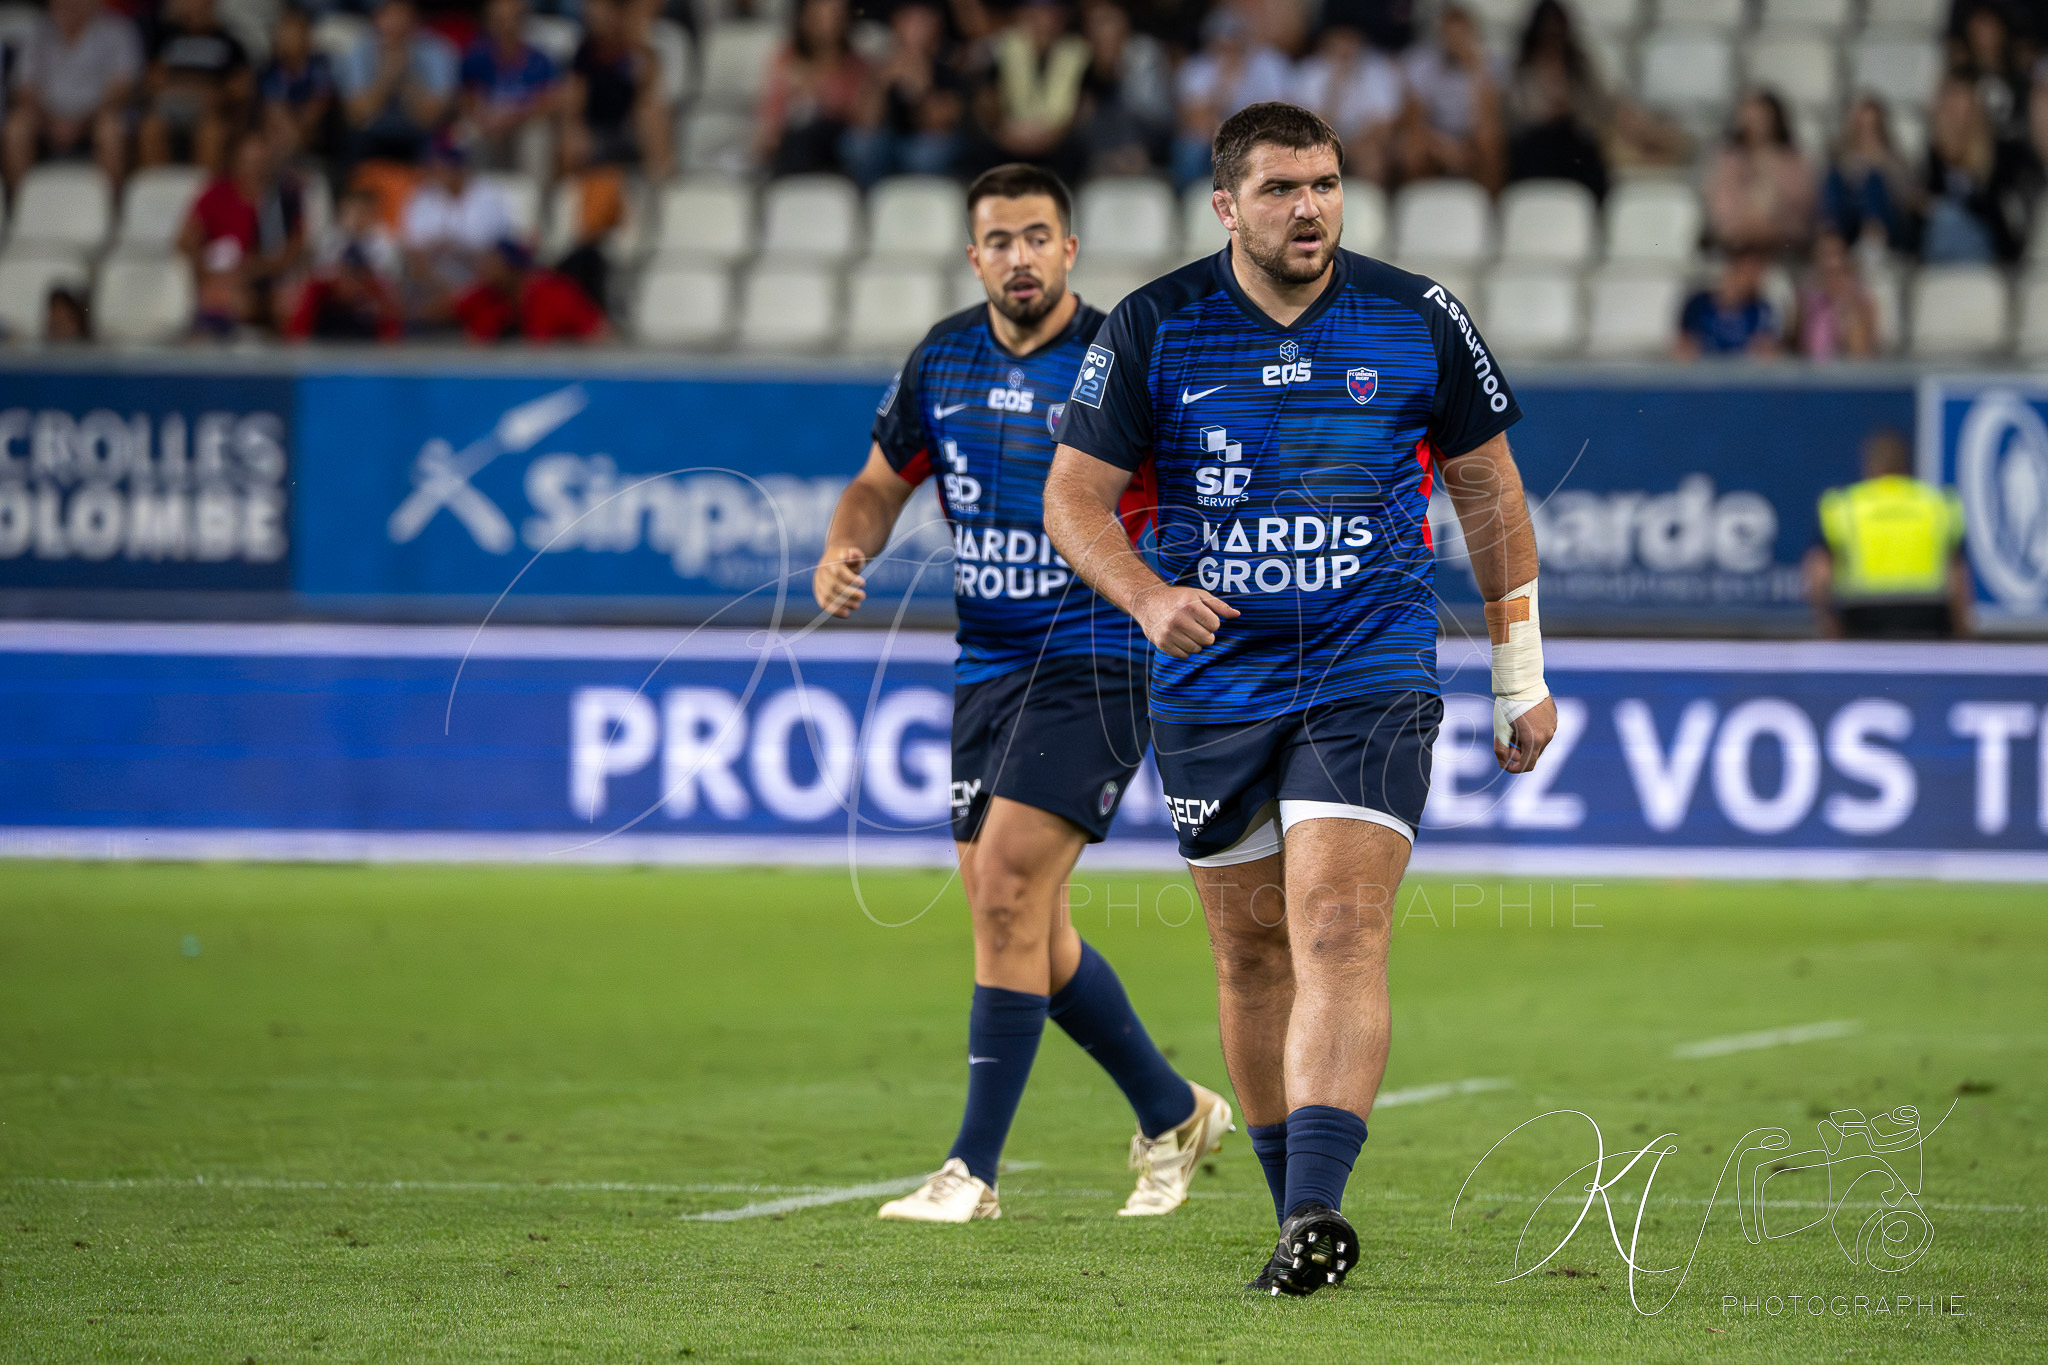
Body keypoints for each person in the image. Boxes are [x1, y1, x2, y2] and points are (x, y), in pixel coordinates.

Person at [1042, 102, 1556, 1294]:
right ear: (1225, 205)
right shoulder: (1154, 324)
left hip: (1366, 666)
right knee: (1250, 955)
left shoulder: (1417, 314)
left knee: (1334, 923)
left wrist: (1517, 671)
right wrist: (1143, 595)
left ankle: (1318, 1205)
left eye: (1323, 184)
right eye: (1279, 189)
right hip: (1211, 682)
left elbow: (1487, 493)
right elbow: (1074, 498)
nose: (1309, 207)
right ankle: (1293, 1216)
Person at [812, 163, 1231, 1225]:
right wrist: (842, 547)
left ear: (1070, 250)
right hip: (985, 666)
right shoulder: (941, 357)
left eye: (1037, 237)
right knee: (1019, 923)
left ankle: (971, 1172)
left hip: (1096, 657)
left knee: (1003, 894)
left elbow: (1188, 490)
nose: (1018, 258)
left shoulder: (1116, 360)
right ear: (974, 256)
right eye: (998, 240)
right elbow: (877, 480)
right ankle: (1172, 1110)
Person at [1804, 429, 1969, 639]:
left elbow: (1819, 573)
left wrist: (1827, 624)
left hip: (1861, 618)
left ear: (1868, 466)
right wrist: (1963, 630)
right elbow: (1957, 576)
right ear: (1906, 466)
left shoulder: (1842, 506)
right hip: (1928, 618)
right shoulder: (1938, 504)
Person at [3, 0, 142, 193]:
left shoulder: (117, 29)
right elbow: (23, 87)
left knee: (111, 131)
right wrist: (51, 120)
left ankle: (110, 208)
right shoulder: (39, 30)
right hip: (45, 116)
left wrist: (82, 121)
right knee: (16, 129)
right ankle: (21, 206)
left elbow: (123, 87)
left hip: (96, 115)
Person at [180, 128, 306, 334]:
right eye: (248, 161)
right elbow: (185, 241)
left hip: (267, 278)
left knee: (286, 303)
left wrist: (252, 269)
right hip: (219, 277)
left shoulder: (284, 197)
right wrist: (204, 270)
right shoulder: (217, 193)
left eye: (260, 161)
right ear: (237, 161)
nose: (254, 168)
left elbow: (294, 247)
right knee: (224, 299)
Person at [844, 0, 966, 186]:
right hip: (889, 142)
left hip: (925, 144)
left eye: (922, 21)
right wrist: (881, 85)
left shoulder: (948, 67)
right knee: (859, 147)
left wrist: (922, 89)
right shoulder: (880, 67)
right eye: (907, 20)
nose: (914, 28)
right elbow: (865, 124)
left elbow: (943, 122)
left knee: (924, 153)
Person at [1171, 9, 1291, 189]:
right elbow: (1196, 122)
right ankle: (1190, 202)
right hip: (1212, 141)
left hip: (1254, 137)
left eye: (1235, 41)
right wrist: (1223, 86)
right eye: (1221, 43)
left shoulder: (1268, 65)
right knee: (1190, 148)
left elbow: (1278, 117)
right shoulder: (1196, 69)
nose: (1229, 49)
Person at [1503, 0, 1607, 198]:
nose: (1553, 37)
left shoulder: (1579, 68)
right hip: (1535, 141)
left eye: (1558, 31)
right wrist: (1546, 114)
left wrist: (1570, 110)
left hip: (1572, 139)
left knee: (1585, 155)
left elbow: (1597, 108)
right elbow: (1514, 115)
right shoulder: (1523, 68)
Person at [751, 0, 867, 175]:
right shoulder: (787, 58)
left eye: (834, 16)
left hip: (835, 144)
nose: (825, 24)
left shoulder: (855, 64)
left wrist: (816, 91)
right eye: (818, 16)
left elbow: (858, 120)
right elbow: (773, 111)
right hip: (790, 141)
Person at [1396, 3, 1505, 190]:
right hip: (1435, 137)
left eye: (1460, 35)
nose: (1454, 41)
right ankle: (1419, 203)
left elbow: (1488, 118)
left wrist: (1473, 70)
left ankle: (1489, 206)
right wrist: (1443, 146)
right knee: (1412, 146)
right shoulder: (1423, 65)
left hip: (1471, 138)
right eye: (1449, 35)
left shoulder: (1488, 67)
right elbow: (1414, 119)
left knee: (1489, 140)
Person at [1922, 76, 2030, 263]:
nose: (1959, 119)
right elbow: (1927, 201)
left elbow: (1996, 208)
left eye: (1965, 111)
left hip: (1987, 243)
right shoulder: (1934, 156)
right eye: (1953, 111)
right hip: (1942, 243)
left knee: (1947, 216)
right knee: (1944, 220)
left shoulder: (1997, 153)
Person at [136, 0, 252, 172]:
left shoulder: (230, 43)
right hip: (169, 108)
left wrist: (214, 93)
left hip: (210, 111)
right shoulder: (168, 38)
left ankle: (203, 193)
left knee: (212, 133)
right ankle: (158, 191)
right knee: (150, 128)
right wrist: (193, 85)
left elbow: (241, 87)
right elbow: (152, 80)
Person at [561, 0, 671, 180]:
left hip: (628, 128)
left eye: (603, 11)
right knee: (571, 137)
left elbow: (647, 92)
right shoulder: (586, 52)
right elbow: (574, 104)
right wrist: (576, 130)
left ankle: (660, 187)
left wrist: (637, 51)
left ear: (617, 15)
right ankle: (572, 197)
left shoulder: (635, 51)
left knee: (651, 112)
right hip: (596, 129)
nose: (598, 17)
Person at [401, 137, 519, 304]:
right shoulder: (423, 196)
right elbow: (412, 247)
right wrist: (437, 246)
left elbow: (496, 246)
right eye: (434, 165)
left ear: (458, 165)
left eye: (443, 164)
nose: (437, 170)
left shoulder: (488, 193)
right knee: (413, 263)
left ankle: (461, 304)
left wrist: (457, 246)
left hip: (477, 272)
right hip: (435, 277)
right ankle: (453, 304)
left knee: (494, 262)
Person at [339, 0, 459, 164]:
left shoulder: (437, 50)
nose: (392, 22)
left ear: (414, 16)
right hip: (373, 135)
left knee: (439, 144)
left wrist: (406, 75)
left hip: (418, 135)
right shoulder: (360, 49)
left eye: (399, 13)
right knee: (352, 142)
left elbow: (431, 118)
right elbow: (357, 116)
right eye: (386, 14)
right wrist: (387, 77)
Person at [1704, 89, 1816, 253]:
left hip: (1783, 243)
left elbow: (1801, 203)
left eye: (1762, 117)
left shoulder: (1793, 159)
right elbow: (1721, 205)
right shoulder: (1728, 159)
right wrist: (1745, 223)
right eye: (1751, 117)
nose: (1756, 123)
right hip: (1736, 243)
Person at [1292, 25, 1400, 186]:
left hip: (1361, 143)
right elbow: (1310, 127)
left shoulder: (1377, 71)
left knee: (1371, 157)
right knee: (1303, 154)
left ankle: (1368, 208)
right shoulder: (1309, 72)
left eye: (1350, 39)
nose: (1345, 46)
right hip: (1323, 143)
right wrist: (1335, 90)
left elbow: (1381, 128)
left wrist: (1350, 148)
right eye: (1340, 39)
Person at [460, 0, 560, 171]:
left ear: (522, 22)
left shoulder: (539, 60)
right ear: (489, 22)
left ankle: (532, 194)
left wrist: (512, 117)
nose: (506, 26)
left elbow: (549, 102)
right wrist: (485, 119)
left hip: (524, 122)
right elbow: (468, 98)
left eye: (512, 19)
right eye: (500, 20)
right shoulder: (476, 58)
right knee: (464, 133)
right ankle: (475, 193)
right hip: (488, 122)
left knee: (537, 136)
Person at [1076, 0, 1173, 176]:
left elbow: (1154, 114)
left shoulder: (1143, 51)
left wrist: (1121, 66)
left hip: (1146, 143)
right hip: (1098, 155)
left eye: (1107, 20)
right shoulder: (1077, 56)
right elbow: (1078, 121)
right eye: (1095, 22)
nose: (1102, 29)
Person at [451, 238, 611, 343]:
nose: (486, 269)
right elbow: (447, 310)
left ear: (513, 268)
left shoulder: (555, 293)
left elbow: (600, 334)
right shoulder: (486, 295)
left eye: (494, 263)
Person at [1821, 95, 1919, 254]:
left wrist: (1879, 163)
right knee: (1835, 181)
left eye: (1873, 127)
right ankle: (1832, 242)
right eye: (1862, 126)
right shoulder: (1841, 157)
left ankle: (1872, 244)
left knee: (1874, 182)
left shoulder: (1895, 159)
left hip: (1888, 224)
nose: (1867, 133)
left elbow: (1906, 197)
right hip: (1850, 220)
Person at [259, 6, 338, 163]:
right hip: (281, 134)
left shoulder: (320, 66)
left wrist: (297, 129)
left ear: (306, 37)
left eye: (292, 33)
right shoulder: (269, 70)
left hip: (316, 135)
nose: (286, 38)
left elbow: (317, 108)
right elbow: (273, 111)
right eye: (283, 32)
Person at [1676, 250, 1781, 360]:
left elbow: (1769, 350)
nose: (1754, 280)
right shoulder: (1697, 305)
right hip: (1702, 372)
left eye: (1758, 274)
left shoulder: (1761, 310)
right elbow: (1682, 344)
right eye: (1747, 273)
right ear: (1732, 272)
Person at [1791, 232, 1879, 360]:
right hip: (1810, 371)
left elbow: (1862, 349)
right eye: (1826, 254)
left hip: (1847, 370)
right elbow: (1798, 344)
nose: (1832, 262)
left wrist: (1847, 307)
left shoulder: (1859, 297)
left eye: (1837, 254)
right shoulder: (1805, 296)